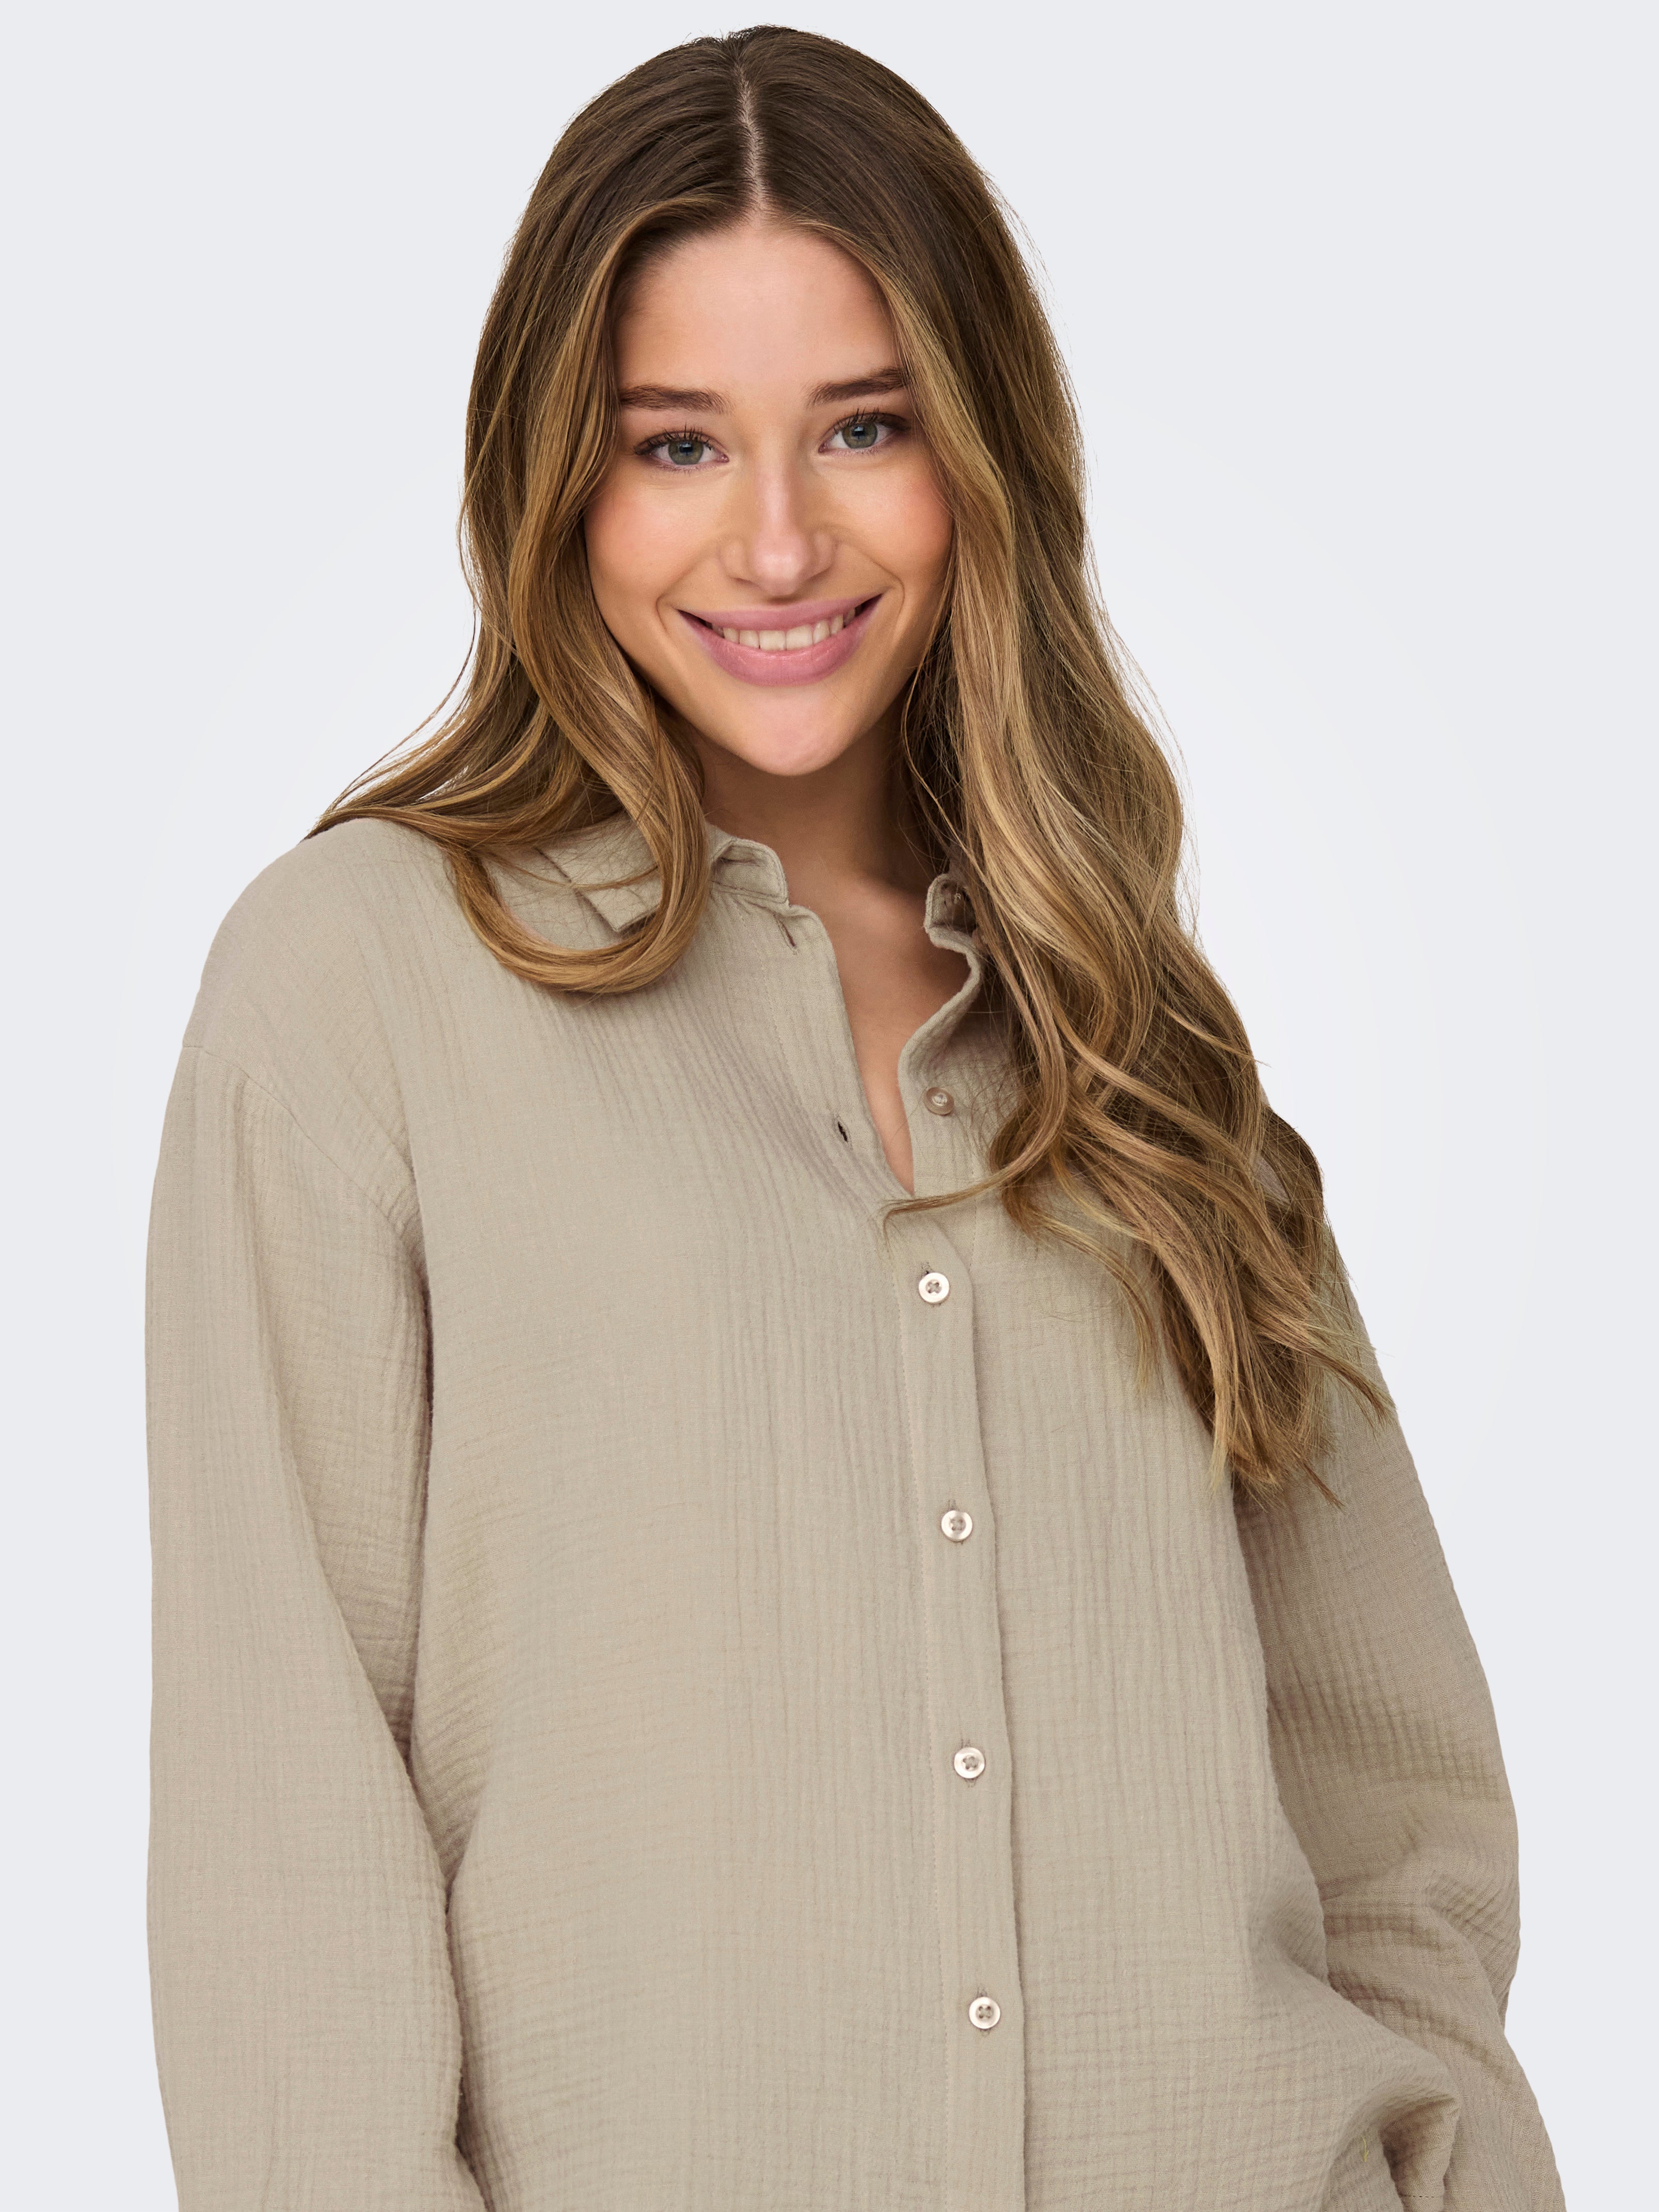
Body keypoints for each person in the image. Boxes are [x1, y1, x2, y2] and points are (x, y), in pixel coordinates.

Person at [143, 25, 1565, 2212]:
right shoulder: (358, 991)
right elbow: (287, 1834)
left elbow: (1401, 1824)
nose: (781, 537)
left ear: (977, 453)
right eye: (679, 444)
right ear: (558, 479)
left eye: (865, 427)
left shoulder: (1144, 1046)